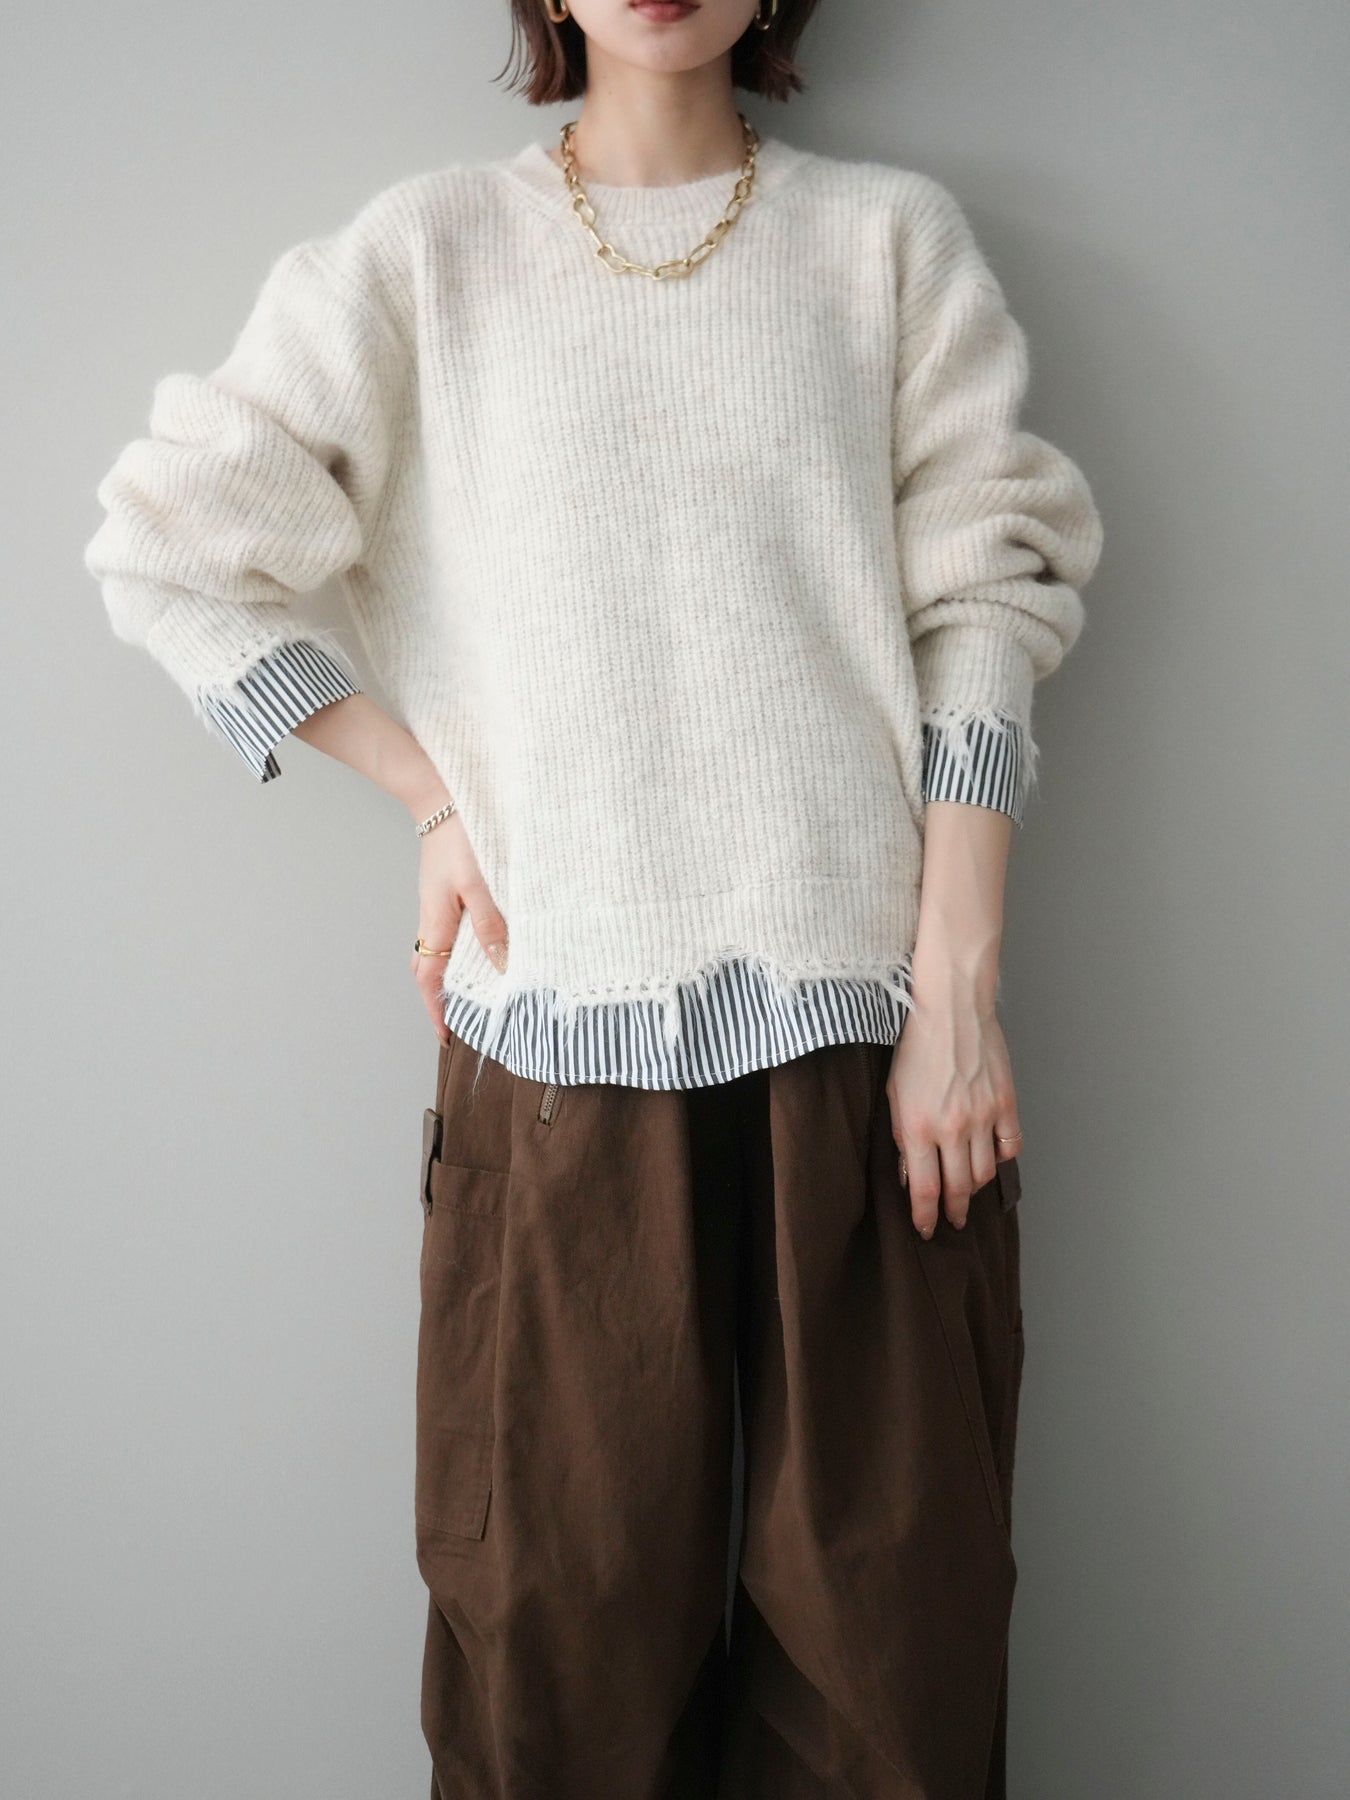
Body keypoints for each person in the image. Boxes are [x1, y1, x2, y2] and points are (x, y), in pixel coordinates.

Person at [82, 0, 1104, 1792]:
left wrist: (956, 996)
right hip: (552, 1063)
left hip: (867, 1067)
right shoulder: (425, 255)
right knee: (552, 1688)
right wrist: (429, 794)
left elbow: (984, 607)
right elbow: (169, 542)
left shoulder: (886, 243)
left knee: (898, 1684)